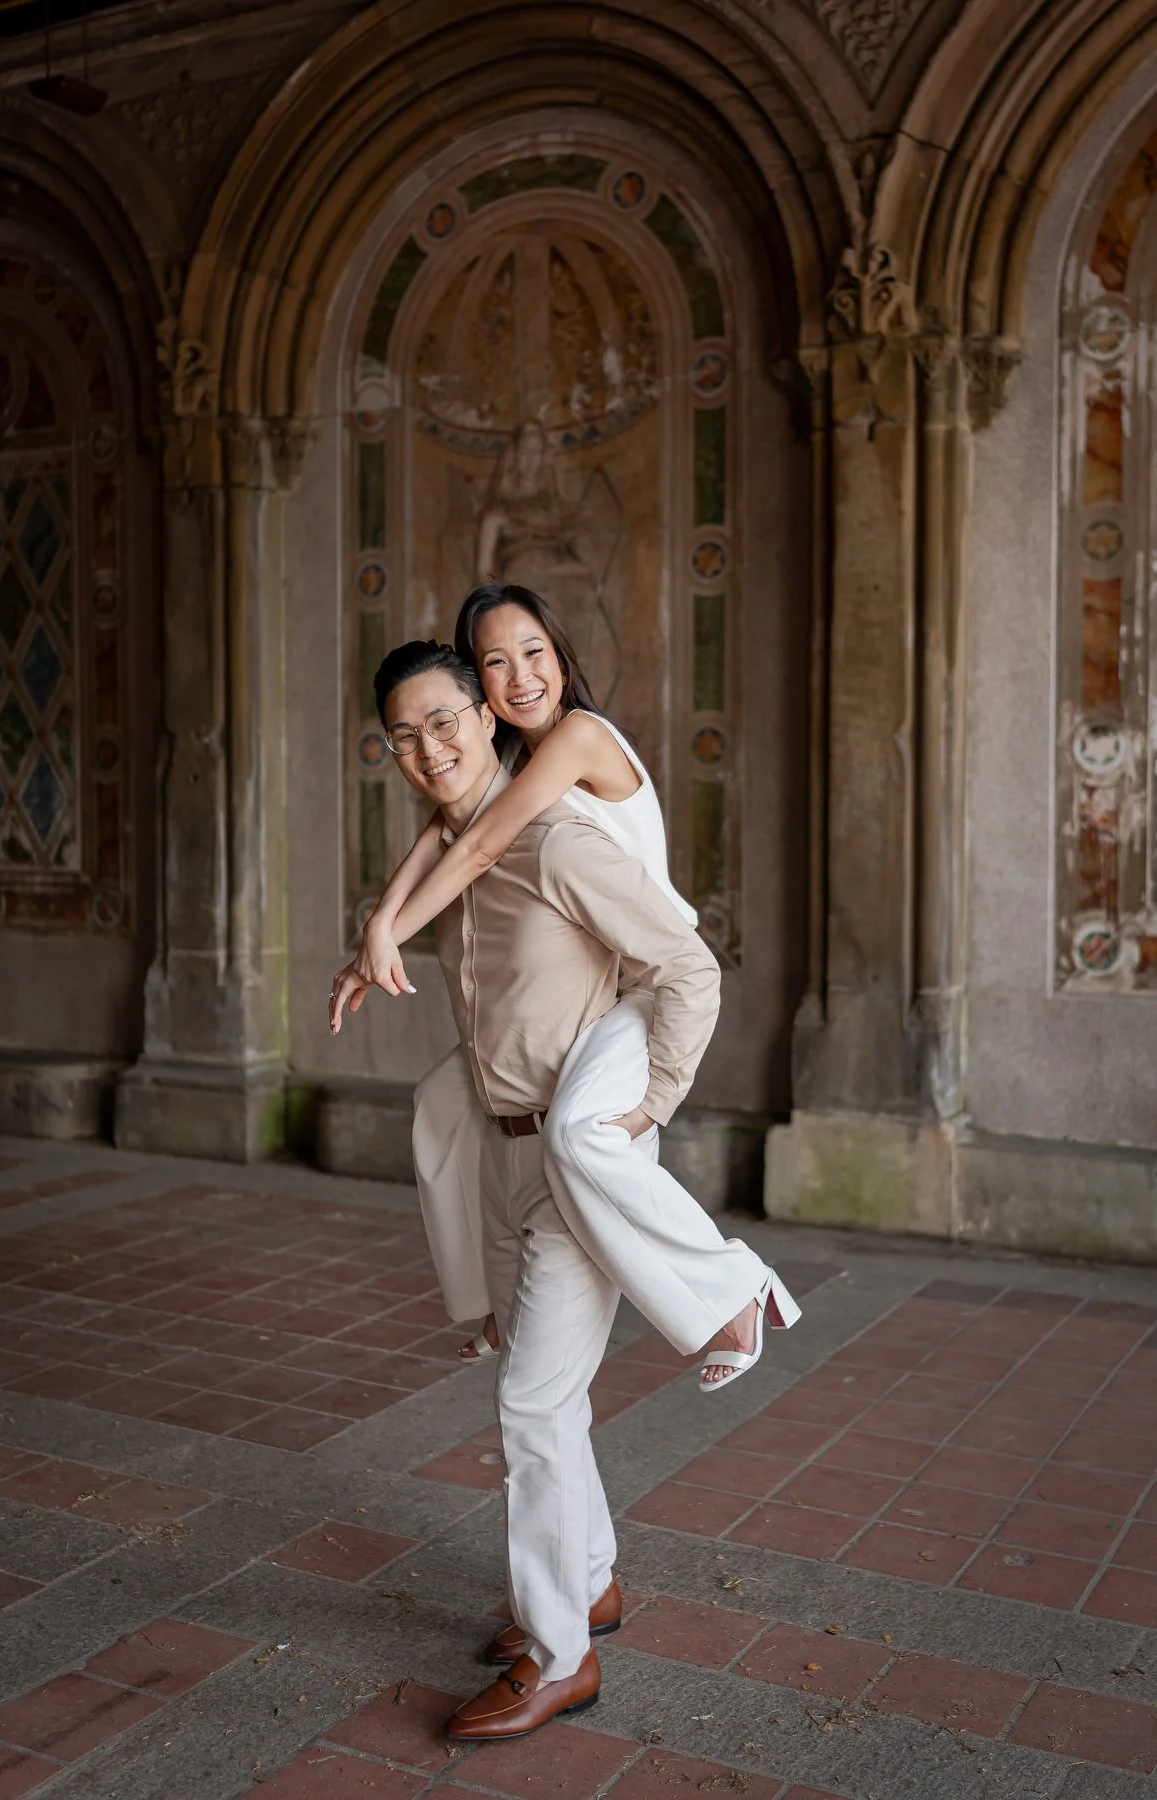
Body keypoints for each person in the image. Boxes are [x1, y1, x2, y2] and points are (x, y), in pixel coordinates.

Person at [339, 636, 722, 1736]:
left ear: (487, 717)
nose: (429, 747)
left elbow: (687, 964)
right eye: (403, 734)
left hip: (574, 1162)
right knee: (544, 1388)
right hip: (501, 1152)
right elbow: (434, 862)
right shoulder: (460, 843)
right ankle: (589, 1578)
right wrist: (373, 934)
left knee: (531, 1408)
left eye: (447, 720)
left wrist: (649, 1104)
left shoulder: (553, 839)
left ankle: (559, 1656)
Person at [330, 582, 798, 1391]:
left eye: (533, 653)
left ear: (560, 653)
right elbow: (443, 832)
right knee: (445, 1103)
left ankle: (732, 1288)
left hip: (641, 984)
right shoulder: (507, 753)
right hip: (616, 973)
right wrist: (378, 926)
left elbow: (477, 849)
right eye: (495, 663)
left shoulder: (577, 737)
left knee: (582, 1133)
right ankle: (485, 1303)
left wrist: (383, 932)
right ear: (481, 685)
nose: (519, 678)